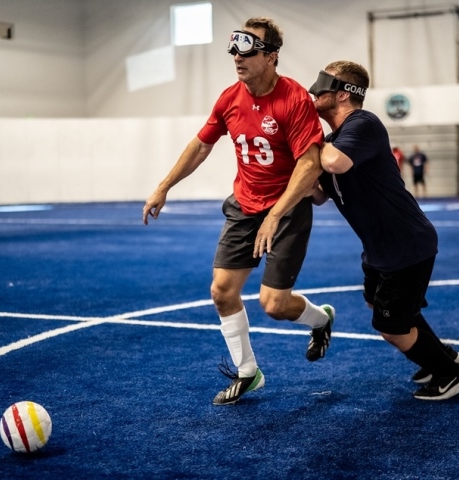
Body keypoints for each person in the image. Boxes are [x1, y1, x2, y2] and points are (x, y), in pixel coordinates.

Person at [143, 17, 335, 406]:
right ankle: (249, 373)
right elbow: (201, 145)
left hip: (288, 209)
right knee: (221, 291)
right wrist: (164, 186)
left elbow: (309, 165)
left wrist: (277, 213)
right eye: (234, 48)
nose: (237, 56)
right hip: (245, 206)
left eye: (248, 49)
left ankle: (322, 320)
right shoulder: (230, 98)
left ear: (271, 57)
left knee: (275, 305)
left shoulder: (295, 100)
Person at [307, 60, 459, 401]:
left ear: (343, 93)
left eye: (323, 85)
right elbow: (321, 195)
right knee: (376, 302)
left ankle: (450, 374)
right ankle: (442, 355)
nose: (314, 91)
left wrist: (302, 137)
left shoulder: (362, 124)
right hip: (380, 249)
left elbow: (335, 163)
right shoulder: (332, 140)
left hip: (404, 246)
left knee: (391, 327)